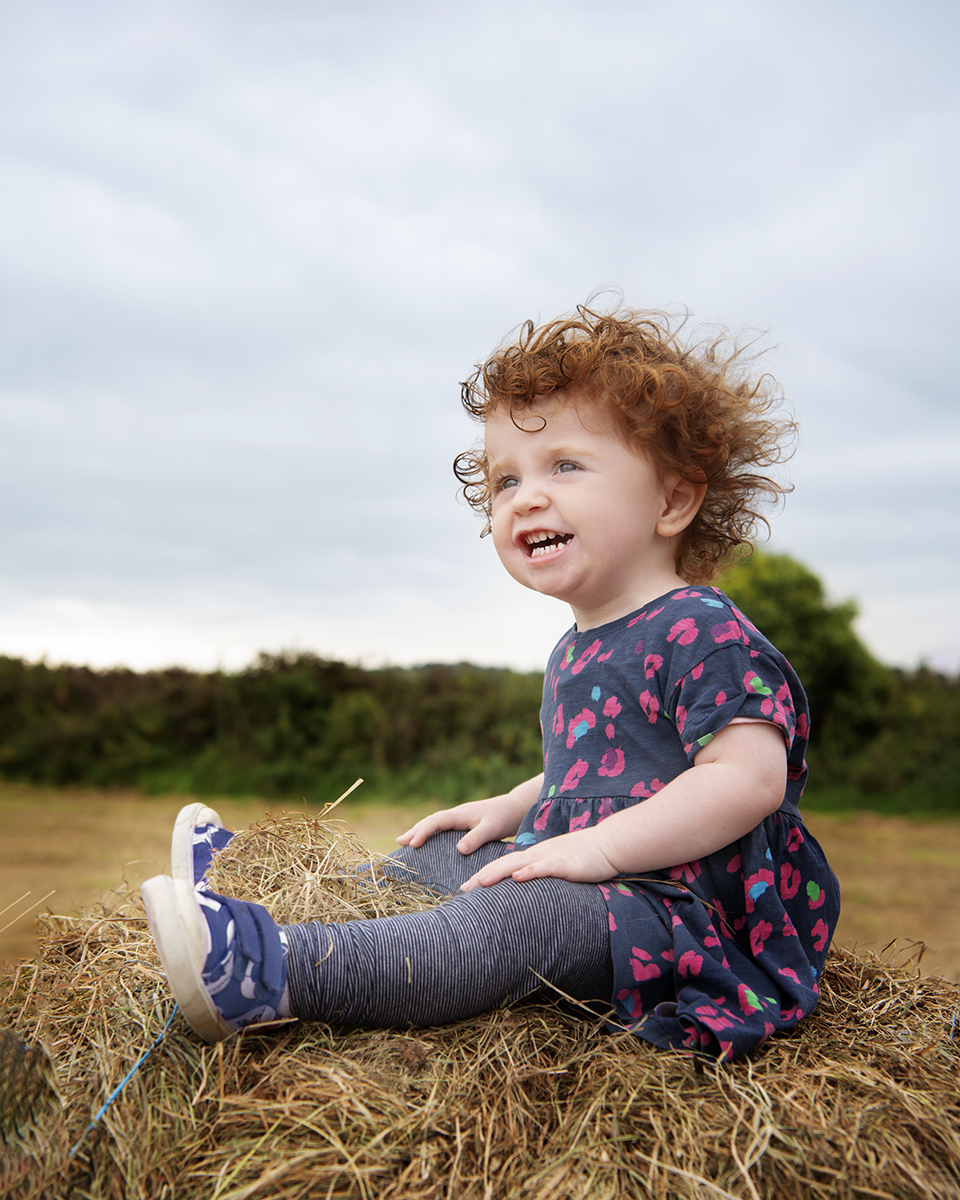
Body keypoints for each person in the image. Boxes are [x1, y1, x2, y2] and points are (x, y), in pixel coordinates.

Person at [142, 305, 841, 1061]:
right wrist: (515, 804)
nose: (526, 497)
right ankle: (268, 890)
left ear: (672, 500)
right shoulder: (578, 646)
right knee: (445, 852)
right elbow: (618, 769)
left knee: (508, 923)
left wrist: (601, 850)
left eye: (565, 465)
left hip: (682, 914)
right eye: (506, 479)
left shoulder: (704, 630)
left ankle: (273, 974)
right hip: (609, 881)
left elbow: (747, 781)